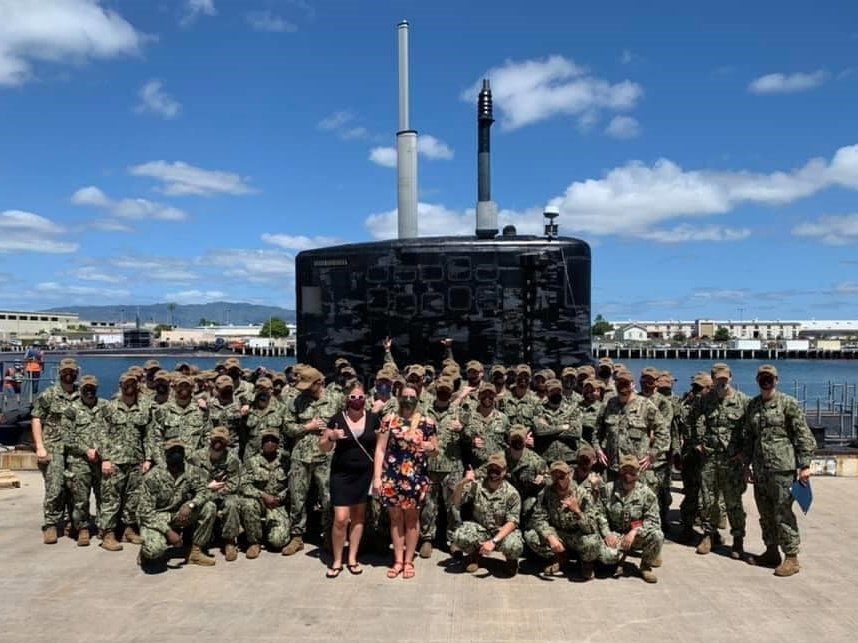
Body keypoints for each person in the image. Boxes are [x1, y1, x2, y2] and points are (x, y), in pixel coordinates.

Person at [742, 364, 815, 577]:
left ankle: (791, 557)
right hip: (760, 469)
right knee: (765, 513)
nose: (766, 382)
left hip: (782, 469)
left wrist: (805, 466)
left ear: (776, 380)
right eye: (763, 378)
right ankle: (771, 551)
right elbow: (749, 437)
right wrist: (746, 464)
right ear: (758, 381)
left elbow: (803, 435)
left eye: (770, 378)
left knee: (782, 513)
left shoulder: (788, 404)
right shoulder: (753, 405)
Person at [372, 385, 437, 580]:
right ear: (398, 397)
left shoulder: (427, 422)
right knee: (395, 519)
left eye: (412, 396)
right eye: (405, 396)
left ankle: (409, 561)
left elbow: (435, 449)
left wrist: (427, 446)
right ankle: (398, 560)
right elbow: (380, 450)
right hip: (392, 476)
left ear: (418, 399)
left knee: (411, 519)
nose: (408, 399)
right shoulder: (389, 420)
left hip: (415, 478)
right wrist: (377, 477)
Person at [686, 363, 749, 558]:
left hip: (732, 460)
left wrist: (745, 453)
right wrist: (697, 442)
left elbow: (753, 430)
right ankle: (708, 534)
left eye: (725, 378)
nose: (722, 382)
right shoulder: (706, 400)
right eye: (718, 379)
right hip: (710, 457)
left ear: (730, 377)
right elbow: (690, 418)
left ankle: (738, 540)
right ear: (712, 380)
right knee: (708, 500)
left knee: (733, 502)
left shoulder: (743, 401)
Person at [319, 382, 379, 578]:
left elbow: (380, 446)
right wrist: (332, 437)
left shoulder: (373, 419)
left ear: (365, 399)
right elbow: (323, 447)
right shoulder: (337, 419)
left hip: (364, 474)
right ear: (347, 399)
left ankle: (352, 557)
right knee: (341, 519)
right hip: (341, 474)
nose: (357, 400)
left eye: (360, 397)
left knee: (359, 518)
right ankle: (337, 560)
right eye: (352, 397)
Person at [282, 367, 339, 556]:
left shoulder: (335, 399)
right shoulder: (297, 401)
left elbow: (344, 423)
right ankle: (297, 536)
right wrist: (307, 426)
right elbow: (287, 427)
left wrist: (334, 434)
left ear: (319, 383)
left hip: (326, 456)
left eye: (309, 385)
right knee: (297, 497)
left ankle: (329, 536)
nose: (305, 389)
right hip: (301, 455)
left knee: (328, 497)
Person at [97, 371, 155, 551]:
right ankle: (108, 533)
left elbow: (149, 435)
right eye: (126, 385)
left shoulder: (144, 408)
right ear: (120, 386)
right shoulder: (109, 407)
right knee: (110, 498)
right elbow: (101, 434)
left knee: (133, 498)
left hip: (136, 460)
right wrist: (105, 458)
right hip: (114, 461)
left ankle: (129, 529)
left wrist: (148, 458)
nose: (130, 387)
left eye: (133, 384)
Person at [137, 439, 217, 570]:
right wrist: (168, 531)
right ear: (165, 454)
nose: (176, 455)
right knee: (154, 550)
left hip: (180, 514)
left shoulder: (191, 471)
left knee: (209, 507)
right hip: (157, 517)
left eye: (179, 451)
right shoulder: (152, 476)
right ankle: (146, 551)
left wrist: (191, 505)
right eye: (172, 452)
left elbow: (204, 491)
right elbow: (145, 512)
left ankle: (195, 553)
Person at [30, 358, 80, 544]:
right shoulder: (49, 394)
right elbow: (36, 419)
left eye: (72, 371)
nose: (68, 374)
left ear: (76, 373)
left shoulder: (81, 395)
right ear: (60, 373)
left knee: (74, 487)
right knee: (55, 487)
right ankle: (50, 524)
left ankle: (70, 522)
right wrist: (40, 447)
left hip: (75, 449)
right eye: (65, 371)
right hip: (54, 447)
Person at [451, 453, 523, 577]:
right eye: (491, 468)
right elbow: (456, 502)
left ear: (504, 471)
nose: (493, 472)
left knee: (514, 545)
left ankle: (511, 561)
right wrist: (463, 482)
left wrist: (494, 541)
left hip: (501, 533)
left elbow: (513, 522)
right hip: (481, 529)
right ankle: (476, 555)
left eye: (497, 469)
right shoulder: (477, 485)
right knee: (459, 535)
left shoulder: (512, 493)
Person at [596, 454, 664, 584]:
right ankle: (617, 559)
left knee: (657, 535)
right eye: (624, 471)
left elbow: (653, 521)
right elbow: (600, 514)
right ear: (619, 471)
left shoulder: (647, 494)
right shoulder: (608, 489)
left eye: (632, 471)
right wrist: (607, 534)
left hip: (637, 536)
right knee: (607, 557)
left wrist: (634, 532)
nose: (628, 475)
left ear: (638, 472)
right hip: (615, 535)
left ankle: (645, 566)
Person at [60, 374, 105, 546]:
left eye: (92, 389)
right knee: (80, 498)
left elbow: (113, 431)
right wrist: (86, 450)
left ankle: (104, 527)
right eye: (86, 389)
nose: (89, 392)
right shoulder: (71, 410)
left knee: (104, 497)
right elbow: (67, 437)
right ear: (80, 390)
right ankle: (83, 528)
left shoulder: (105, 407)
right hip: (79, 460)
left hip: (101, 459)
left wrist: (102, 452)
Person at [187, 426, 242, 562]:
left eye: (222, 441)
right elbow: (190, 482)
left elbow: (233, 484)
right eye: (216, 439)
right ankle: (200, 545)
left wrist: (215, 490)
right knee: (208, 506)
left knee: (232, 503)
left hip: (223, 494)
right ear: (210, 440)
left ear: (227, 443)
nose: (218, 443)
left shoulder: (232, 459)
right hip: (202, 494)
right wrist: (208, 487)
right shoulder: (196, 457)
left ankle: (229, 542)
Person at [239, 430, 291, 558]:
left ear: (278, 444)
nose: (270, 443)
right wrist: (263, 495)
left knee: (278, 542)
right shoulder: (252, 461)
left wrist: (280, 497)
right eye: (266, 441)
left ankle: (270, 532)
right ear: (261, 444)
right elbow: (244, 485)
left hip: (278, 504)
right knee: (248, 504)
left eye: (273, 441)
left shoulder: (286, 461)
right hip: (260, 501)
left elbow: (293, 485)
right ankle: (254, 542)